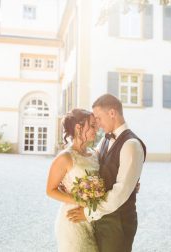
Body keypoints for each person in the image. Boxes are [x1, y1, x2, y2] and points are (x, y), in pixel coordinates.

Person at [67, 94, 146, 252]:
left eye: (98, 117)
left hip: (118, 222)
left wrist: (88, 213)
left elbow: (120, 192)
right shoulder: (104, 140)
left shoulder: (131, 145)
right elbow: (89, 165)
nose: (97, 123)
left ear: (112, 113)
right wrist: (67, 181)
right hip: (100, 217)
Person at [46, 108, 99, 252]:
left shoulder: (95, 154)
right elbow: (50, 190)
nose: (97, 129)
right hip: (73, 220)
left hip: (93, 218)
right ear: (78, 127)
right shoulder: (65, 157)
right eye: (93, 125)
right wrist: (80, 201)